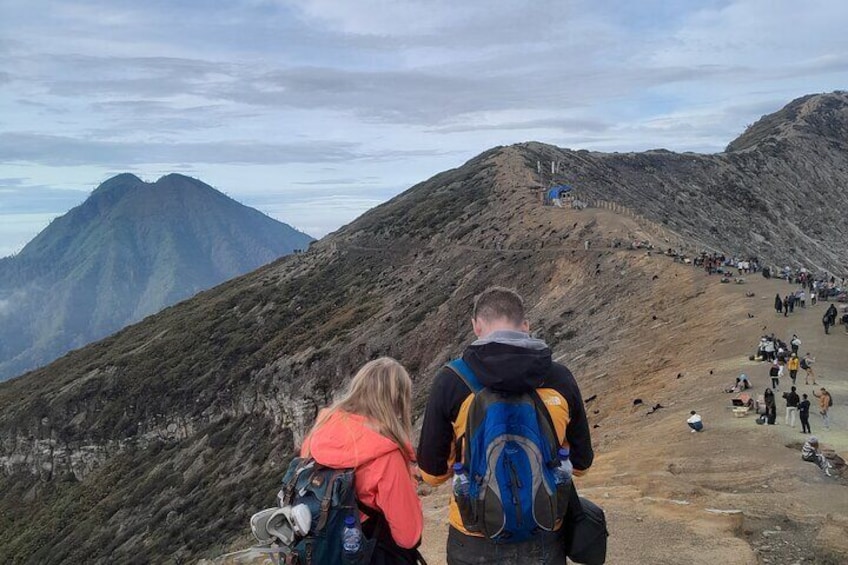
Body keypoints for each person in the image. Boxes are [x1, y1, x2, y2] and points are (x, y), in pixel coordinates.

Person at [418, 287, 594, 565]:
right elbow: (582, 464)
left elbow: (432, 474)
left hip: (473, 533)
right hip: (544, 528)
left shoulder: (451, 380)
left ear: (476, 327)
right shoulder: (560, 378)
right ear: (526, 325)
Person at [300, 357, 424, 560]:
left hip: (321, 552)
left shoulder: (319, 432)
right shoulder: (386, 454)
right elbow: (408, 536)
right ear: (398, 401)